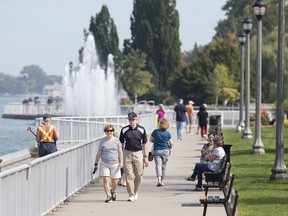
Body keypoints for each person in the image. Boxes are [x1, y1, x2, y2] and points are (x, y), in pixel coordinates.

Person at [119, 112, 148, 202]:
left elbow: (144, 144)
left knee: (139, 174)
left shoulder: (142, 129)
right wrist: (120, 156)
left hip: (138, 153)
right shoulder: (124, 130)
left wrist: (145, 156)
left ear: (136, 119)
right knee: (129, 175)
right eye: (130, 120)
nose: (131, 121)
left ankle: (136, 191)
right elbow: (121, 143)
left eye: (133, 119)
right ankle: (131, 194)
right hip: (127, 153)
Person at [93, 124, 123, 203]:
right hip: (104, 163)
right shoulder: (102, 140)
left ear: (113, 131)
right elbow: (99, 152)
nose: (109, 132)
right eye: (107, 131)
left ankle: (113, 191)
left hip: (115, 163)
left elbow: (120, 152)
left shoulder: (117, 140)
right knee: (106, 179)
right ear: (105, 132)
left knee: (115, 181)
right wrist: (96, 163)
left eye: (111, 131)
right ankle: (108, 196)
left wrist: (121, 162)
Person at [149, 118, 173, 187]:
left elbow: (150, 140)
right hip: (166, 151)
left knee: (158, 165)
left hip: (157, 151)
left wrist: (156, 141)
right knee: (164, 166)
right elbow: (171, 143)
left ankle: (159, 180)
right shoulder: (167, 133)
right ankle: (162, 181)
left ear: (160, 124)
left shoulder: (155, 131)